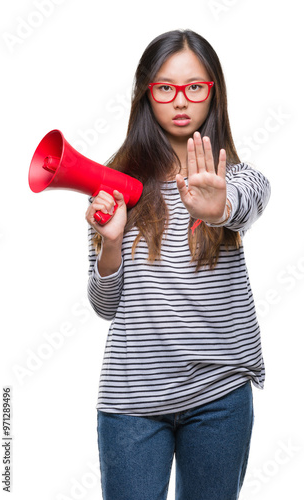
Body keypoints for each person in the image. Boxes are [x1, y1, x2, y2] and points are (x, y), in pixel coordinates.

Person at [85, 29, 271, 500]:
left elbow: (250, 200)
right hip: (132, 404)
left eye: (196, 87)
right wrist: (109, 243)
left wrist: (218, 207)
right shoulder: (116, 184)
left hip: (219, 396)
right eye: (166, 87)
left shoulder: (236, 179)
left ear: (214, 93)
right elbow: (105, 306)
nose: (181, 101)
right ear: (147, 94)